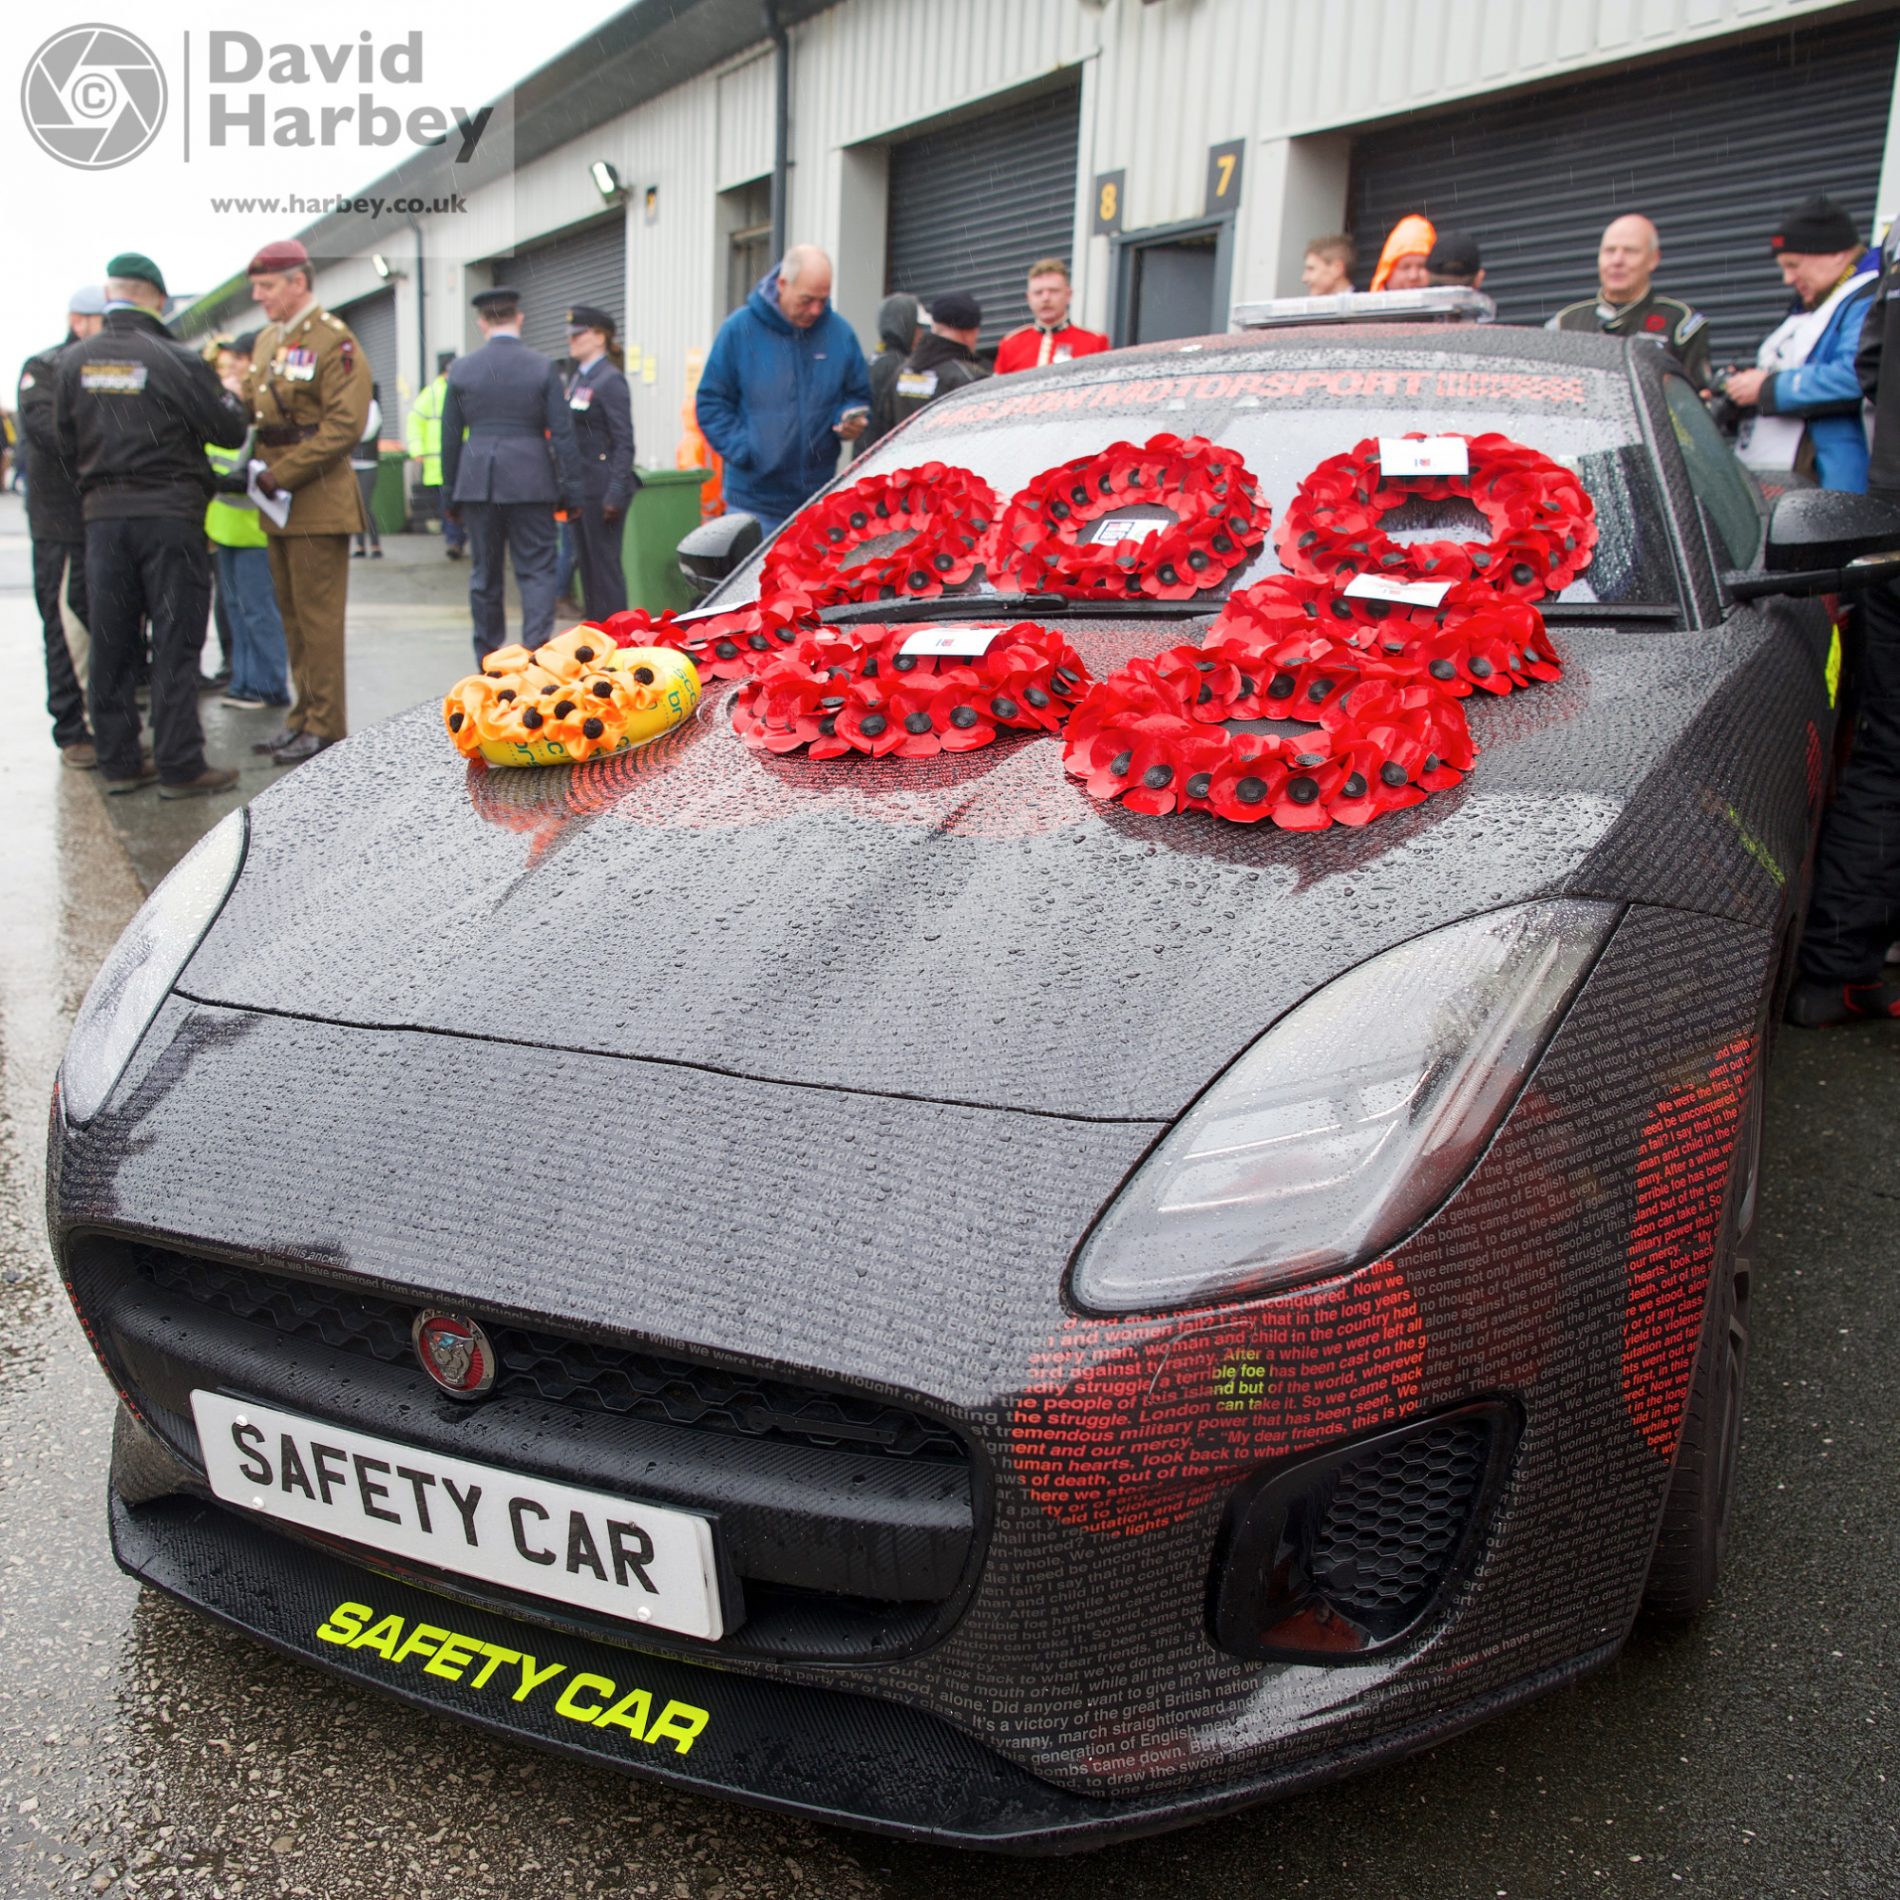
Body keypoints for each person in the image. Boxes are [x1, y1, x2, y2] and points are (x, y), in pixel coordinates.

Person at [53, 252, 247, 798]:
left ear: (111, 293)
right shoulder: (174, 359)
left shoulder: (74, 363)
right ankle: (180, 765)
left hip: (103, 522)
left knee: (112, 642)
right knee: (175, 639)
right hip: (170, 519)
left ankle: (117, 761)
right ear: (157, 298)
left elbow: (63, 447)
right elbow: (228, 431)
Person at [1783, 208, 1900, 1025]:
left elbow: (1870, 365)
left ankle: (1834, 973)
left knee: (1887, 750)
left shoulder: (1887, 273)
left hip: (1889, 521)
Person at [241, 236, 373, 767]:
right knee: (291, 617)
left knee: (318, 620)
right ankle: (302, 716)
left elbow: (345, 425)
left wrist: (283, 474)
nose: (259, 296)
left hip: (315, 497)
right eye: (256, 286)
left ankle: (326, 726)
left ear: (299, 282)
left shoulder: (332, 341)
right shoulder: (268, 341)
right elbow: (261, 416)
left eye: (267, 286)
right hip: (277, 499)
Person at [442, 286, 587, 659]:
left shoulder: (461, 369)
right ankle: (536, 655)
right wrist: (572, 491)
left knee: (484, 575)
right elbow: (564, 434)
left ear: (481, 323)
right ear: (518, 318)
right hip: (532, 480)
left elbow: (450, 439)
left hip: (477, 483)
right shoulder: (542, 367)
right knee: (537, 569)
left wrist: (450, 497)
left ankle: (490, 662)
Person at [695, 244, 871, 536]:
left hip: (817, 501)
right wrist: (747, 449)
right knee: (757, 583)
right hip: (754, 504)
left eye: (823, 300)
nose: (815, 310)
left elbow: (857, 393)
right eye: (806, 300)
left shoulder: (840, 334)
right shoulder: (740, 331)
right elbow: (711, 403)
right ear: (782, 285)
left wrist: (849, 417)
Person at [1723, 197, 1877, 494]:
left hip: (1834, 484)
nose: (1787, 278)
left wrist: (1767, 388)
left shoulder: (1864, 299)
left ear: (1835, 254)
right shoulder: (1820, 302)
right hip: (1798, 484)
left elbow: (1855, 375)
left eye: (1793, 265)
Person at [17, 285, 105, 768]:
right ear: (78, 320)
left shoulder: (102, 367)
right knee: (66, 629)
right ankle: (73, 729)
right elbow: (48, 433)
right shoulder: (44, 368)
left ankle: (105, 722)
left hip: (100, 519)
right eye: (96, 320)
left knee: (103, 628)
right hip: (60, 524)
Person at [205, 333, 290, 714]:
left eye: (236, 363)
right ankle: (243, 681)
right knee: (236, 610)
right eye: (224, 367)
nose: (230, 373)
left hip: (253, 527)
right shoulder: (220, 414)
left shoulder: (257, 415)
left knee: (257, 610)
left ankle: (268, 685)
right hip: (224, 525)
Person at [1547, 214, 1713, 392]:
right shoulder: (1565, 322)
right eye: (1610, 251)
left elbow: (1695, 401)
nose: (1617, 261)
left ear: (1653, 259)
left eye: (1630, 251)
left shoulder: (1681, 323)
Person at [563, 304, 639, 620]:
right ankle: (596, 637)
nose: (572, 340)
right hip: (583, 486)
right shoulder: (581, 378)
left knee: (605, 569)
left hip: (603, 487)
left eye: (579, 334)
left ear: (599, 336)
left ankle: (618, 637)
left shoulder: (609, 380)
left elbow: (624, 442)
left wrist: (616, 491)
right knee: (589, 568)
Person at [878, 291, 989, 434]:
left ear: (935, 324)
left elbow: (882, 432)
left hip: (905, 455)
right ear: (970, 331)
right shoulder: (970, 378)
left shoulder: (901, 372)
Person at [994, 259, 1110, 374]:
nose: (1045, 298)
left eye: (1053, 291)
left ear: (1068, 295)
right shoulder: (1010, 344)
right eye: (1038, 292)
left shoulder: (1094, 342)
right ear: (1028, 298)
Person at [406, 350, 465, 557]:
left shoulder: (456, 390)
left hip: (456, 458)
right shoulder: (432, 393)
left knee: (453, 500)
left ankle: (456, 539)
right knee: (448, 500)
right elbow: (415, 421)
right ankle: (454, 540)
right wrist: (416, 449)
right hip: (440, 460)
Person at [858, 292, 921, 454]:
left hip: (865, 458)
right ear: (906, 326)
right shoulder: (901, 367)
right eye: (918, 326)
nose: (921, 334)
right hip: (886, 458)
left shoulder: (870, 360)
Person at [351, 383, 384, 557]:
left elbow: (367, 432)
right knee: (355, 506)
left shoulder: (372, 407)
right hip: (351, 464)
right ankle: (360, 545)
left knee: (364, 505)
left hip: (367, 464)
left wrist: (348, 432)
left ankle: (375, 544)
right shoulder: (353, 404)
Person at [1371, 215, 1436, 292]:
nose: (1413, 276)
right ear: (1387, 273)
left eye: (1422, 266)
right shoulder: (1371, 304)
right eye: (1405, 267)